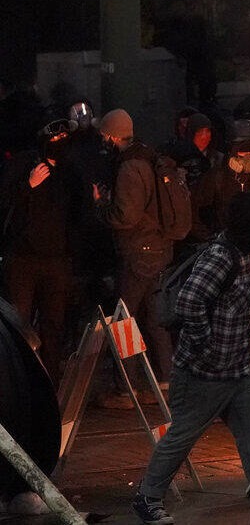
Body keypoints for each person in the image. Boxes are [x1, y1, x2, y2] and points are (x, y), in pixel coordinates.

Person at [131, 192, 250, 525]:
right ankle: (147, 497)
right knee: (183, 436)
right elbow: (189, 303)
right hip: (205, 373)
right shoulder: (221, 256)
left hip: (242, 369)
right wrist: (207, 346)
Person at [92, 109, 177, 384]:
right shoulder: (149, 157)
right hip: (159, 249)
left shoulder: (129, 166)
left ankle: (127, 387)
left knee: (123, 319)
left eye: (104, 135)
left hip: (138, 253)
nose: (103, 140)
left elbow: (125, 217)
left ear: (112, 136)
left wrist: (101, 205)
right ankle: (166, 380)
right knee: (155, 319)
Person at [0, 119, 85, 382]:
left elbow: (77, 217)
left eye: (63, 139)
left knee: (53, 325)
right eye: (55, 139)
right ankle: (19, 380)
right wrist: (29, 186)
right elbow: (7, 204)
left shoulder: (69, 175)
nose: (59, 143)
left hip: (56, 261)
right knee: (20, 323)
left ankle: (50, 381)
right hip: (24, 260)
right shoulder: (26, 166)